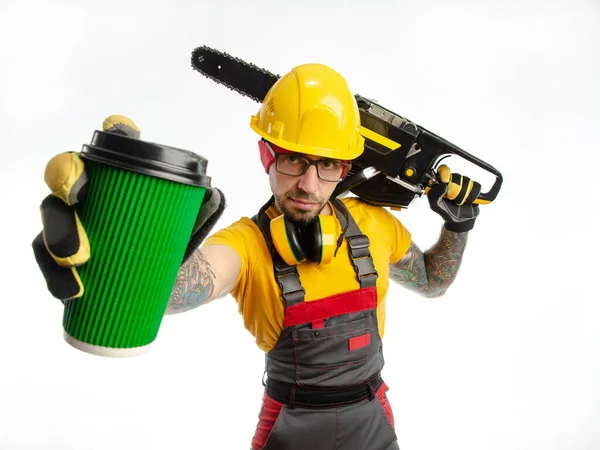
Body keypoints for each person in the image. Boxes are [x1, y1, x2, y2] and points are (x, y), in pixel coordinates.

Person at [34, 64, 481, 450]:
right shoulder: (246, 245)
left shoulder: (374, 224)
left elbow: (431, 282)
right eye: (292, 159)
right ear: (266, 155)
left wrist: (458, 227)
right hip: (291, 428)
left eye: (327, 165)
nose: (308, 184)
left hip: (373, 417)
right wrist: (122, 228)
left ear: (345, 169)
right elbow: (166, 293)